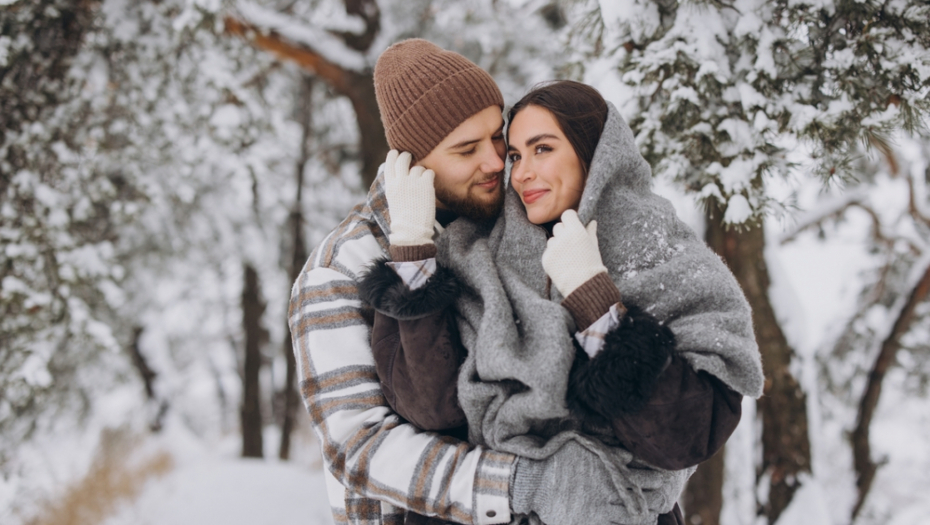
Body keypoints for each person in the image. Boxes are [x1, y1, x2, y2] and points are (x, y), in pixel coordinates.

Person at [359, 81, 765, 525]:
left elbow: (686, 436)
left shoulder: (668, 255)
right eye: (516, 155)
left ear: (595, 154)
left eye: (543, 149)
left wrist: (597, 302)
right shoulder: (473, 253)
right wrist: (413, 247)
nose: (520, 172)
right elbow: (428, 408)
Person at [289, 41, 633, 525]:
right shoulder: (340, 267)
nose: (496, 162)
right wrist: (523, 483)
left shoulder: (521, 211)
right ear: (413, 161)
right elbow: (359, 446)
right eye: (466, 149)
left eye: (497, 136)